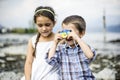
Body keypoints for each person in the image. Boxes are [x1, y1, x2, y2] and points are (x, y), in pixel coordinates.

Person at [46, 15, 96, 80]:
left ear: (82, 33)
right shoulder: (60, 49)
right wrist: (55, 42)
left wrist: (77, 38)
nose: (68, 36)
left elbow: (90, 56)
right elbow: (50, 60)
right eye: (65, 32)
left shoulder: (84, 48)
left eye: (70, 32)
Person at [24, 6, 59, 80]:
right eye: (40, 25)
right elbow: (29, 62)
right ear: (35, 24)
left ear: (54, 23)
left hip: (52, 75)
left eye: (47, 25)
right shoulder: (32, 40)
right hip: (35, 75)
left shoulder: (59, 39)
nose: (44, 28)